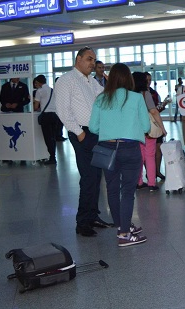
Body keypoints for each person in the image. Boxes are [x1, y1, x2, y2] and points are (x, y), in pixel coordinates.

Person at [89, 63, 150, 246]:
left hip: (107, 149)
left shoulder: (101, 98)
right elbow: (146, 127)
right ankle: (124, 234)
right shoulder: (136, 98)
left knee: (112, 189)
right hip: (130, 148)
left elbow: (93, 127)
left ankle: (121, 225)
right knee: (128, 191)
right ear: (128, 78)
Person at [55, 47, 112, 237]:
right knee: (88, 177)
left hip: (95, 132)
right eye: (89, 59)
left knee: (96, 177)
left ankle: (93, 215)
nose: (92, 63)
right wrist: (80, 134)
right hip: (81, 133)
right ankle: (82, 222)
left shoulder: (92, 82)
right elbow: (63, 111)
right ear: (78, 59)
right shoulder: (66, 81)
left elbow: (105, 97)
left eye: (94, 60)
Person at [133, 72, 166, 191]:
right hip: (148, 129)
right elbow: (154, 111)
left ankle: (139, 182)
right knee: (150, 155)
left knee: (139, 156)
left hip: (135, 130)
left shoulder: (130, 94)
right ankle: (152, 182)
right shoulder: (145, 93)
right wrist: (162, 128)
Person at [33, 74, 60, 165]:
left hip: (46, 116)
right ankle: (53, 156)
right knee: (53, 137)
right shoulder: (53, 90)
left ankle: (52, 157)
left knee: (48, 137)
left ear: (39, 82)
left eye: (36, 83)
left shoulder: (39, 91)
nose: (35, 85)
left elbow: (36, 107)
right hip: (55, 116)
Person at [146, 72, 166, 182]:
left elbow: (157, 109)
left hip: (156, 125)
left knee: (158, 149)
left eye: (150, 80)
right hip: (147, 125)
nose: (148, 82)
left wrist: (162, 106)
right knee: (147, 152)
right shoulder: (141, 93)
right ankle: (150, 173)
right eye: (147, 80)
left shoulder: (154, 93)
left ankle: (157, 171)